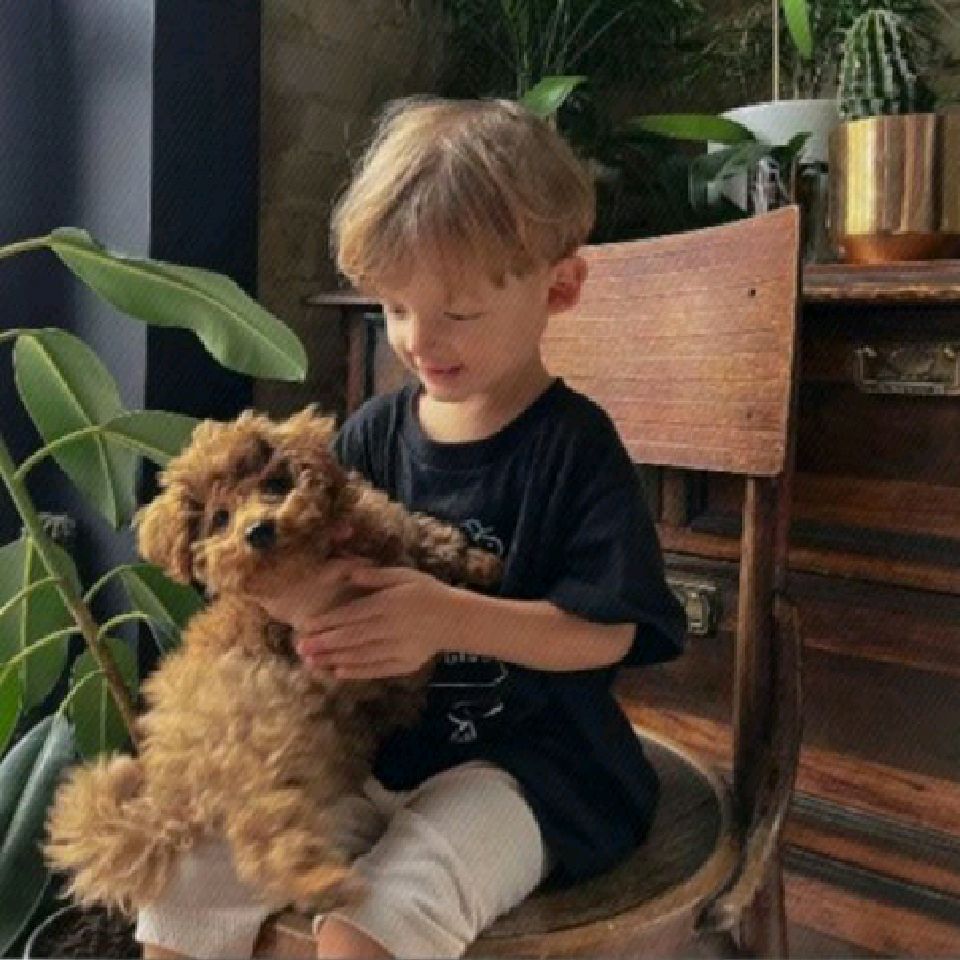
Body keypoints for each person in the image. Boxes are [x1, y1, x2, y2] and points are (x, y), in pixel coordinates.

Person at [138, 95, 686, 960]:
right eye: (394, 308)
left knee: (375, 919)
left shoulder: (574, 448)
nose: (420, 341)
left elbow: (611, 630)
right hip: (377, 755)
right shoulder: (371, 435)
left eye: (458, 314)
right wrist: (291, 601)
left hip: (534, 772)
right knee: (188, 875)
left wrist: (448, 617)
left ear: (560, 287)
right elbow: (314, 574)